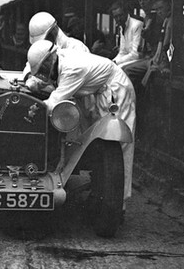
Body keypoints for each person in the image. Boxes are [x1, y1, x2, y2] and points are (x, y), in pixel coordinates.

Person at [26, 39, 137, 206]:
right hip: (99, 92)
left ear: (49, 59)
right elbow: (48, 79)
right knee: (99, 143)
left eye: (42, 68)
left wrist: (32, 108)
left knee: (118, 147)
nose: (42, 73)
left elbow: (54, 102)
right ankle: (100, 194)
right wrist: (33, 81)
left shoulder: (72, 69)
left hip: (116, 91)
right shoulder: (59, 57)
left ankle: (118, 205)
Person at [111, 0, 148, 75]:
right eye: (116, 17)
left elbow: (136, 54)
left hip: (138, 59)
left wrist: (116, 62)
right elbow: (122, 51)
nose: (118, 19)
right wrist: (112, 62)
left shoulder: (137, 25)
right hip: (129, 59)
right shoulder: (122, 27)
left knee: (119, 71)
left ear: (126, 13)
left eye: (120, 15)